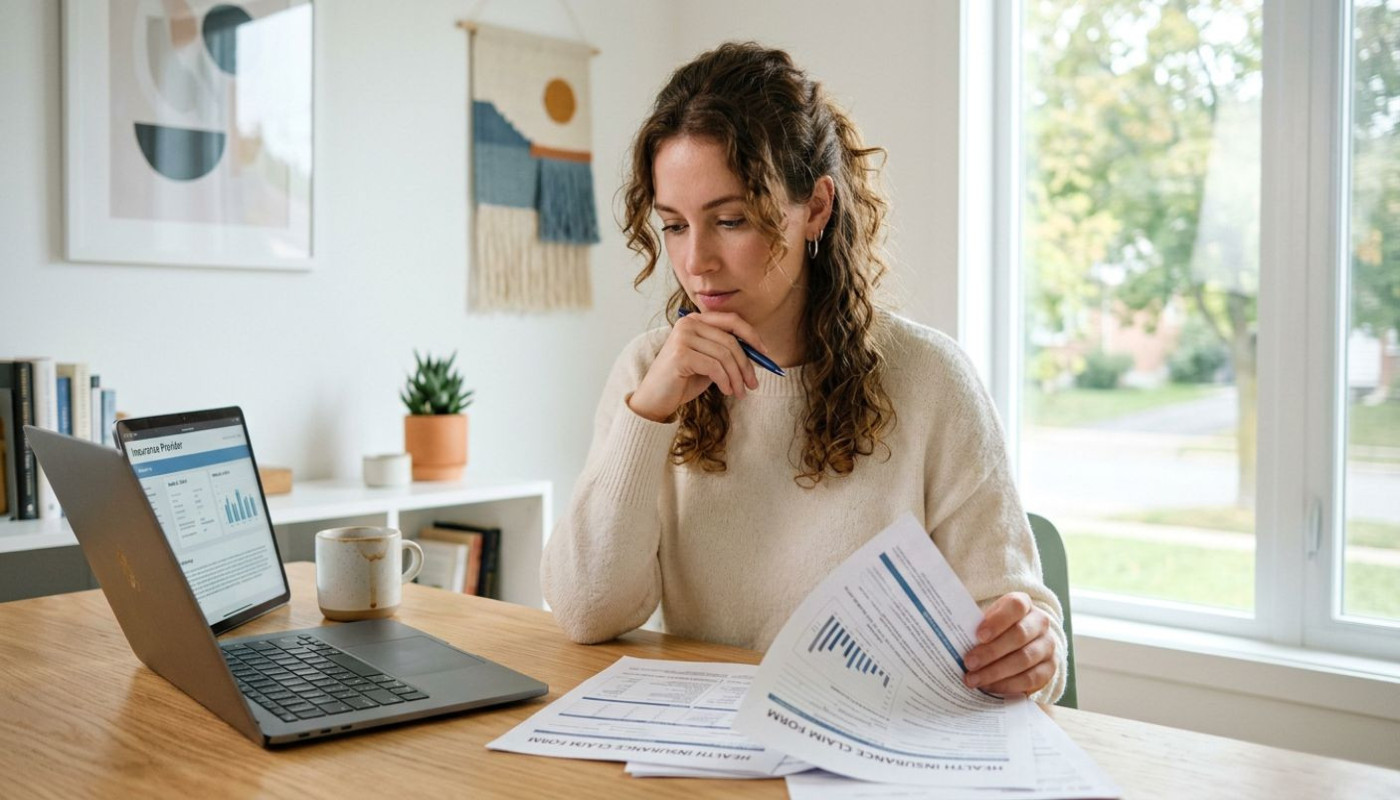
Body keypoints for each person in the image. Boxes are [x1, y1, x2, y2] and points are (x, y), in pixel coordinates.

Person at [541, 42, 1066, 704]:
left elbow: (1021, 628)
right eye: (674, 226)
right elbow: (588, 613)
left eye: (730, 219)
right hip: (711, 761)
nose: (696, 260)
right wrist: (648, 412)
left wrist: (1032, 649)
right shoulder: (649, 373)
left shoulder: (932, 380)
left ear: (816, 207)